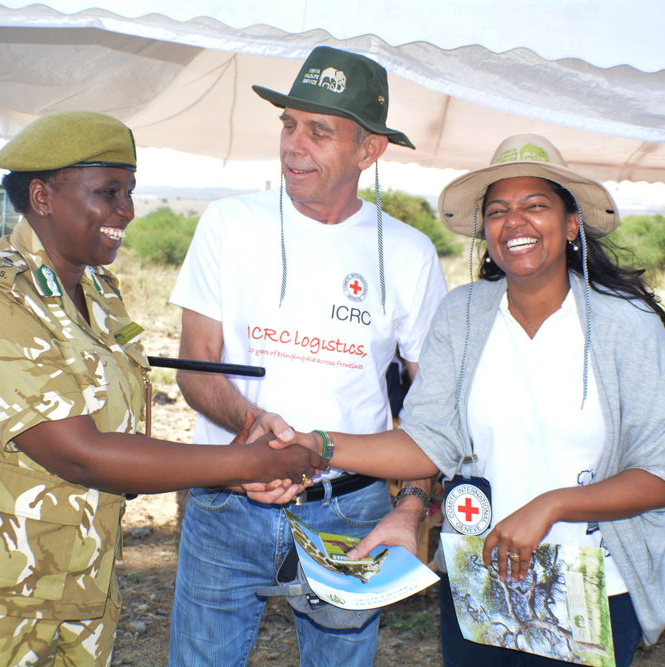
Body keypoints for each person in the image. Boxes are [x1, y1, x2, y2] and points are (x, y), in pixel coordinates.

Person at [0, 110, 324, 667]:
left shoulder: (98, 290)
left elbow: (117, 435)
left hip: (75, 582)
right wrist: (246, 465)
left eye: (130, 192)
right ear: (42, 196)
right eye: (108, 191)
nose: (127, 211)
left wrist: (235, 462)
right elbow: (79, 453)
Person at [284, 134, 665, 667]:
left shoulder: (626, 326)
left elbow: (659, 476)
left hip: (593, 588)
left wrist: (552, 504)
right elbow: (429, 442)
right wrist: (316, 444)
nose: (513, 221)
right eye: (497, 211)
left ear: (571, 225)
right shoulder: (465, 315)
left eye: (535, 205)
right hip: (481, 580)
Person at [166, 46, 449, 666]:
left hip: (350, 510)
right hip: (227, 495)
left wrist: (410, 506)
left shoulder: (408, 252)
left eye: (319, 131)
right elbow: (196, 360)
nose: (294, 145)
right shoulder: (228, 223)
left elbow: (431, 404)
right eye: (288, 124)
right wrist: (251, 432)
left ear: (369, 150)